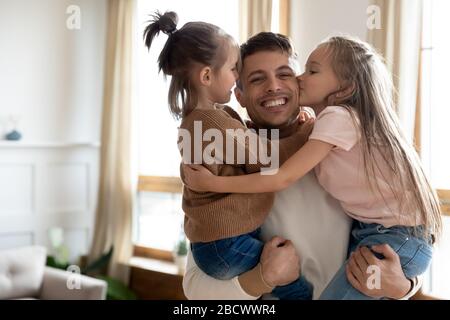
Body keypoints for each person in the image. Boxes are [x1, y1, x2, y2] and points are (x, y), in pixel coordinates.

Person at [183, 36, 442, 300]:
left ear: (298, 83)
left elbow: (400, 237)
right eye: (257, 79)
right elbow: (195, 288)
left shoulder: (341, 148)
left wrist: (403, 287)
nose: (273, 86)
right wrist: (263, 277)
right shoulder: (224, 159)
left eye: (285, 74)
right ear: (239, 95)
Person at [144, 12, 314, 299]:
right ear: (208, 76)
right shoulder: (212, 123)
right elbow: (267, 155)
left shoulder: (202, 119)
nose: (235, 78)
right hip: (223, 244)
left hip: (216, 243)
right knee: (295, 288)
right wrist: (307, 134)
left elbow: (245, 145)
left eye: (284, 74)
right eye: (236, 70)